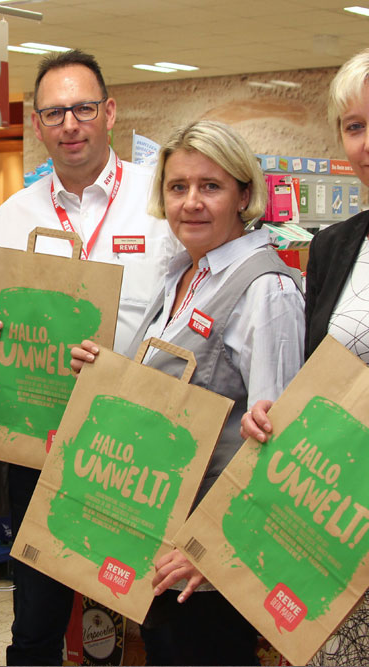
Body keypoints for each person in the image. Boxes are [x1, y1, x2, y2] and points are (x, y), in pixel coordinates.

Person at [0, 49, 176, 665]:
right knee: (37, 616)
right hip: (37, 441)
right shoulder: (15, 215)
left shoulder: (158, 204)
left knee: (139, 614)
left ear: (109, 111)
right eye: (55, 113)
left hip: (132, 444)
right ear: (40, 125)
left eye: (82, 108)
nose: (70, 124)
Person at [71, 120, 305, 665]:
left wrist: (215, 555)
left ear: (244, 194)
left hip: (205, 566)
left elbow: (278, 444)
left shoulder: (264, 290)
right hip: (162, 538)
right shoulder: (184, 272)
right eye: (178, 188)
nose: (191, 203)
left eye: (211, 186)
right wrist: (109, 374)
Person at [241, 48, 369, 666]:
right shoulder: (334, 246)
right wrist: (272, 413)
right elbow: (313, 380)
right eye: (355, 126)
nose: (367, 142)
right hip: (335, 516)